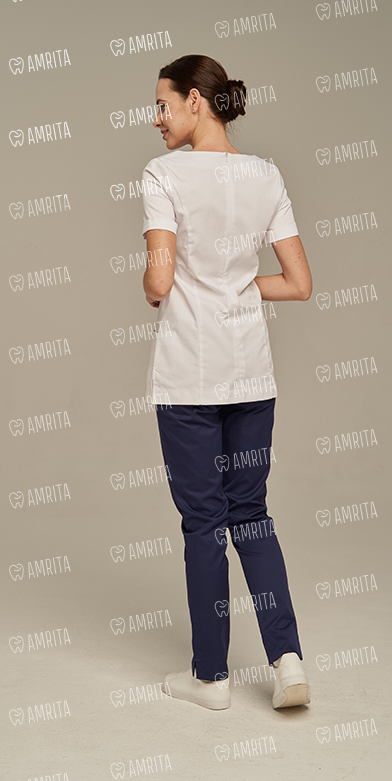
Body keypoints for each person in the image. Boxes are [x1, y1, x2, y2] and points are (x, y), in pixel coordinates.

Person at [140, 55, 313, 711]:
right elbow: (298, 283)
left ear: (196, 102)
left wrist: (156, 285)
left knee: (204, 525)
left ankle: (211, 677)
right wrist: (238, 286)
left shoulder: (162, 175)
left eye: (163, 105)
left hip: (189, 378)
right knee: (252, 515)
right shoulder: (266, 175)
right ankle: (288, 663)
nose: (157, 119)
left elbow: (160, 279)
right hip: (250, 375)